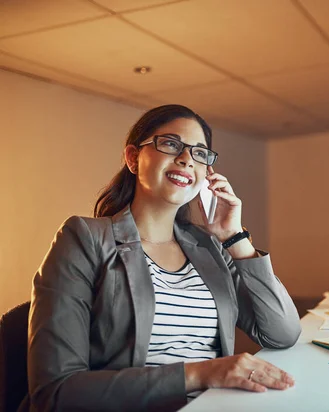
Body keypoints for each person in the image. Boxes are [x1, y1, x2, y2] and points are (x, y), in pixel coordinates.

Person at [24, 105, 301, 412]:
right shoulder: (84, 238)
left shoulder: (209, 248)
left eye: (199, 153)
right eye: (170, 144)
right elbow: (56, 391)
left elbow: (282, 333)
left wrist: (234, 238)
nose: (186, 158)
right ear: (133, 158)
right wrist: (204, 372)